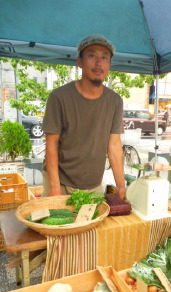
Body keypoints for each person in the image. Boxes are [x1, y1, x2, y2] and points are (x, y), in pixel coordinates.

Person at [42, 35, 125, 199]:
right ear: (79, 62)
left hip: (93, 184)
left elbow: (114, 144)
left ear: (109, 65)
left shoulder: (115, 101)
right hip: (61, 182)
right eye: (92, 55)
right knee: (58, 223)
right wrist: (54, 187)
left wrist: (121, 185)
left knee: (93, 224)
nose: (99, 63)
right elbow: (51, 144)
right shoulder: (59, 97)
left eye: (104, 57)